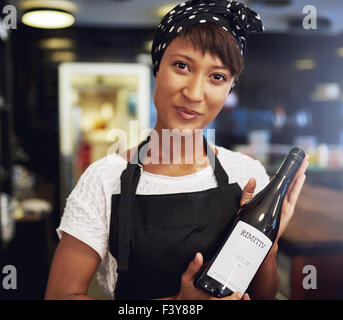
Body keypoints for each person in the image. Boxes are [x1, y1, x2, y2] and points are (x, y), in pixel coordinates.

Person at [45, 0, 309, 300]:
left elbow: (263, 295)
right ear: (158, 68)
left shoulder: (246, 174)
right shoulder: (104, 180)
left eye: (217, 76)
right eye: (182, 66)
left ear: (229, 89)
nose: (194, 93)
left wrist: (268, 243)